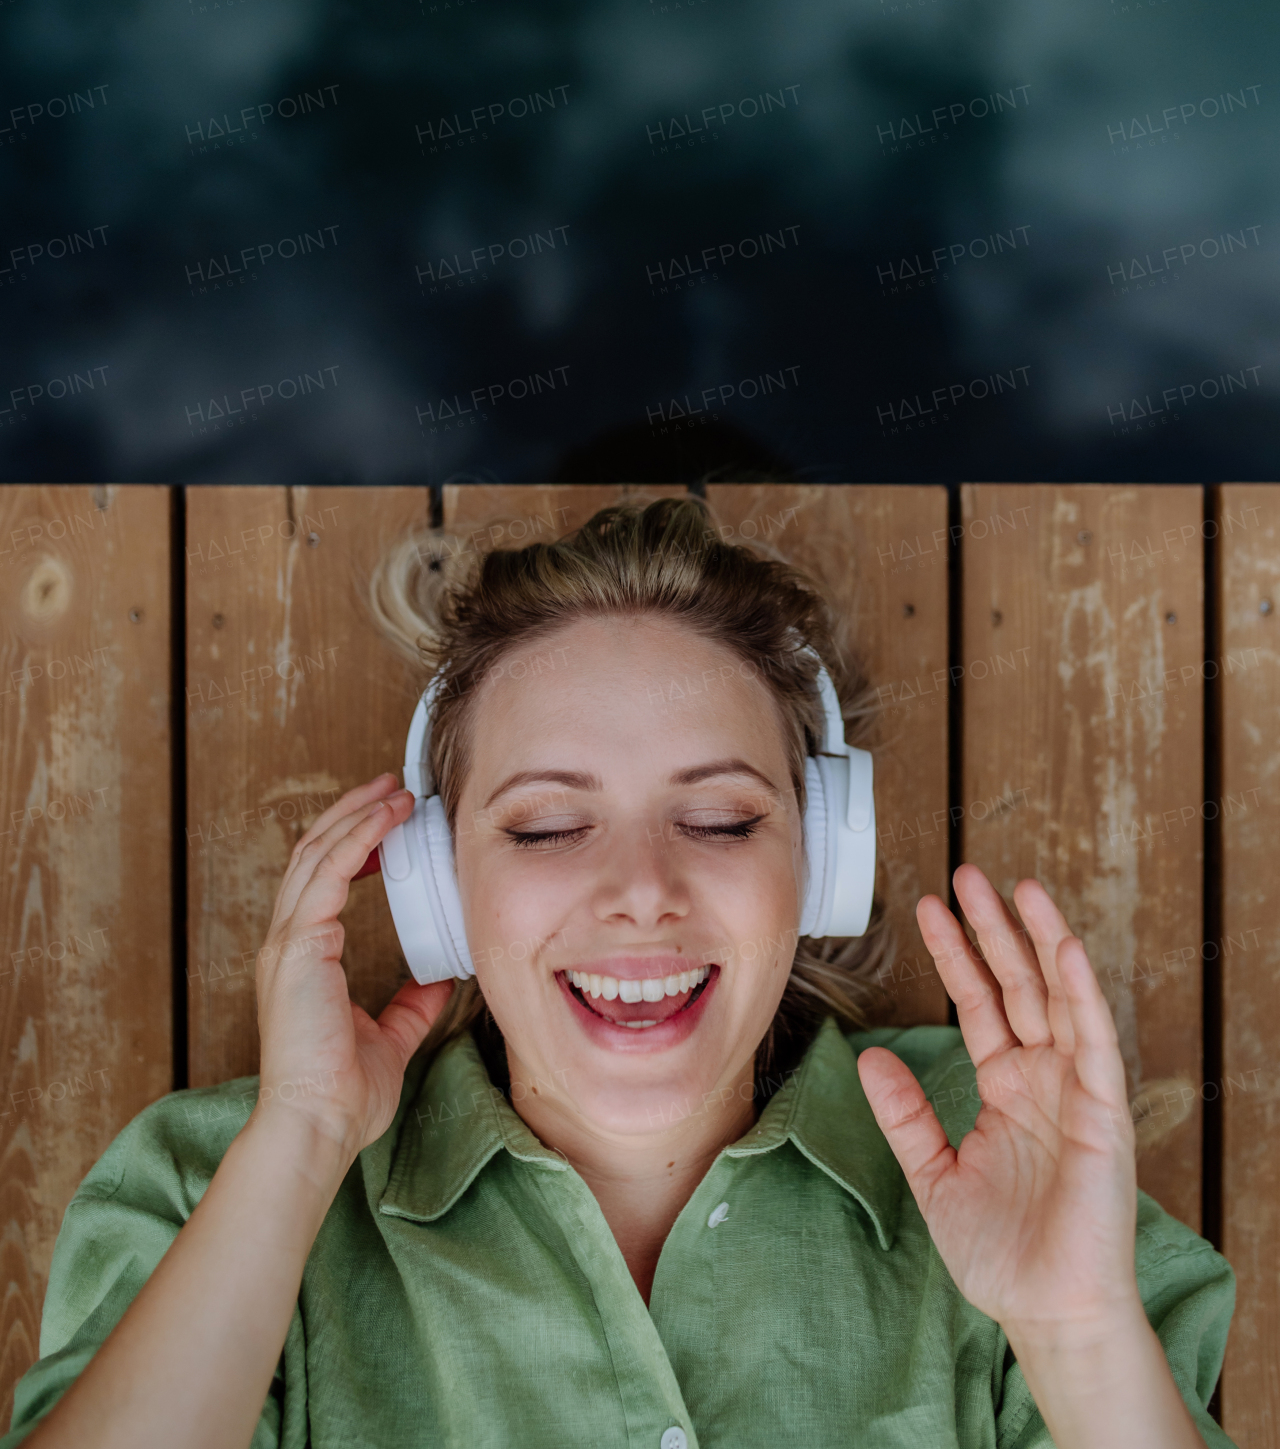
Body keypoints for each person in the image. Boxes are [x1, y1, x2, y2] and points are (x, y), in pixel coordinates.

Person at [3, 498, 1235, 1448]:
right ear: (435, 882)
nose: (640, 887)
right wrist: (299, 1141)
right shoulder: (210, 1194)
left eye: (719, 819)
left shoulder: (1020, 1167)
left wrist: (1076, 1335)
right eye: (544, 828)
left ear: (818, 865)